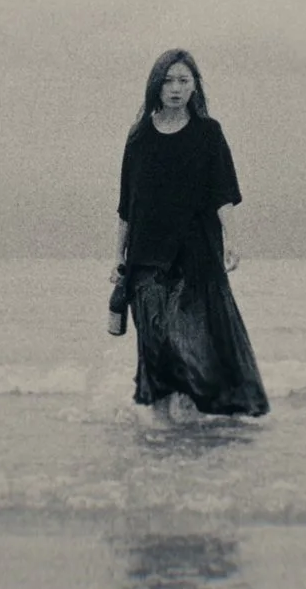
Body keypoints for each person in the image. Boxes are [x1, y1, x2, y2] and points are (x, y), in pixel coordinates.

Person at [110, 49, 270, 420]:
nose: (176, 88)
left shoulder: (208, 133)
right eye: (168, 80)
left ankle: (194, 422)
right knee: (155, 345)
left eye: (184, 80)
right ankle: (162, 429)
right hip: (146, 257)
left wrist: (232, 241)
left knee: (191, 342)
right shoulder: (139, 136)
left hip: (196, 255)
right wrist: (117, 256)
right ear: (155, 85)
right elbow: (126, 205)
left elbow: (223, 194)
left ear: (195, 86)